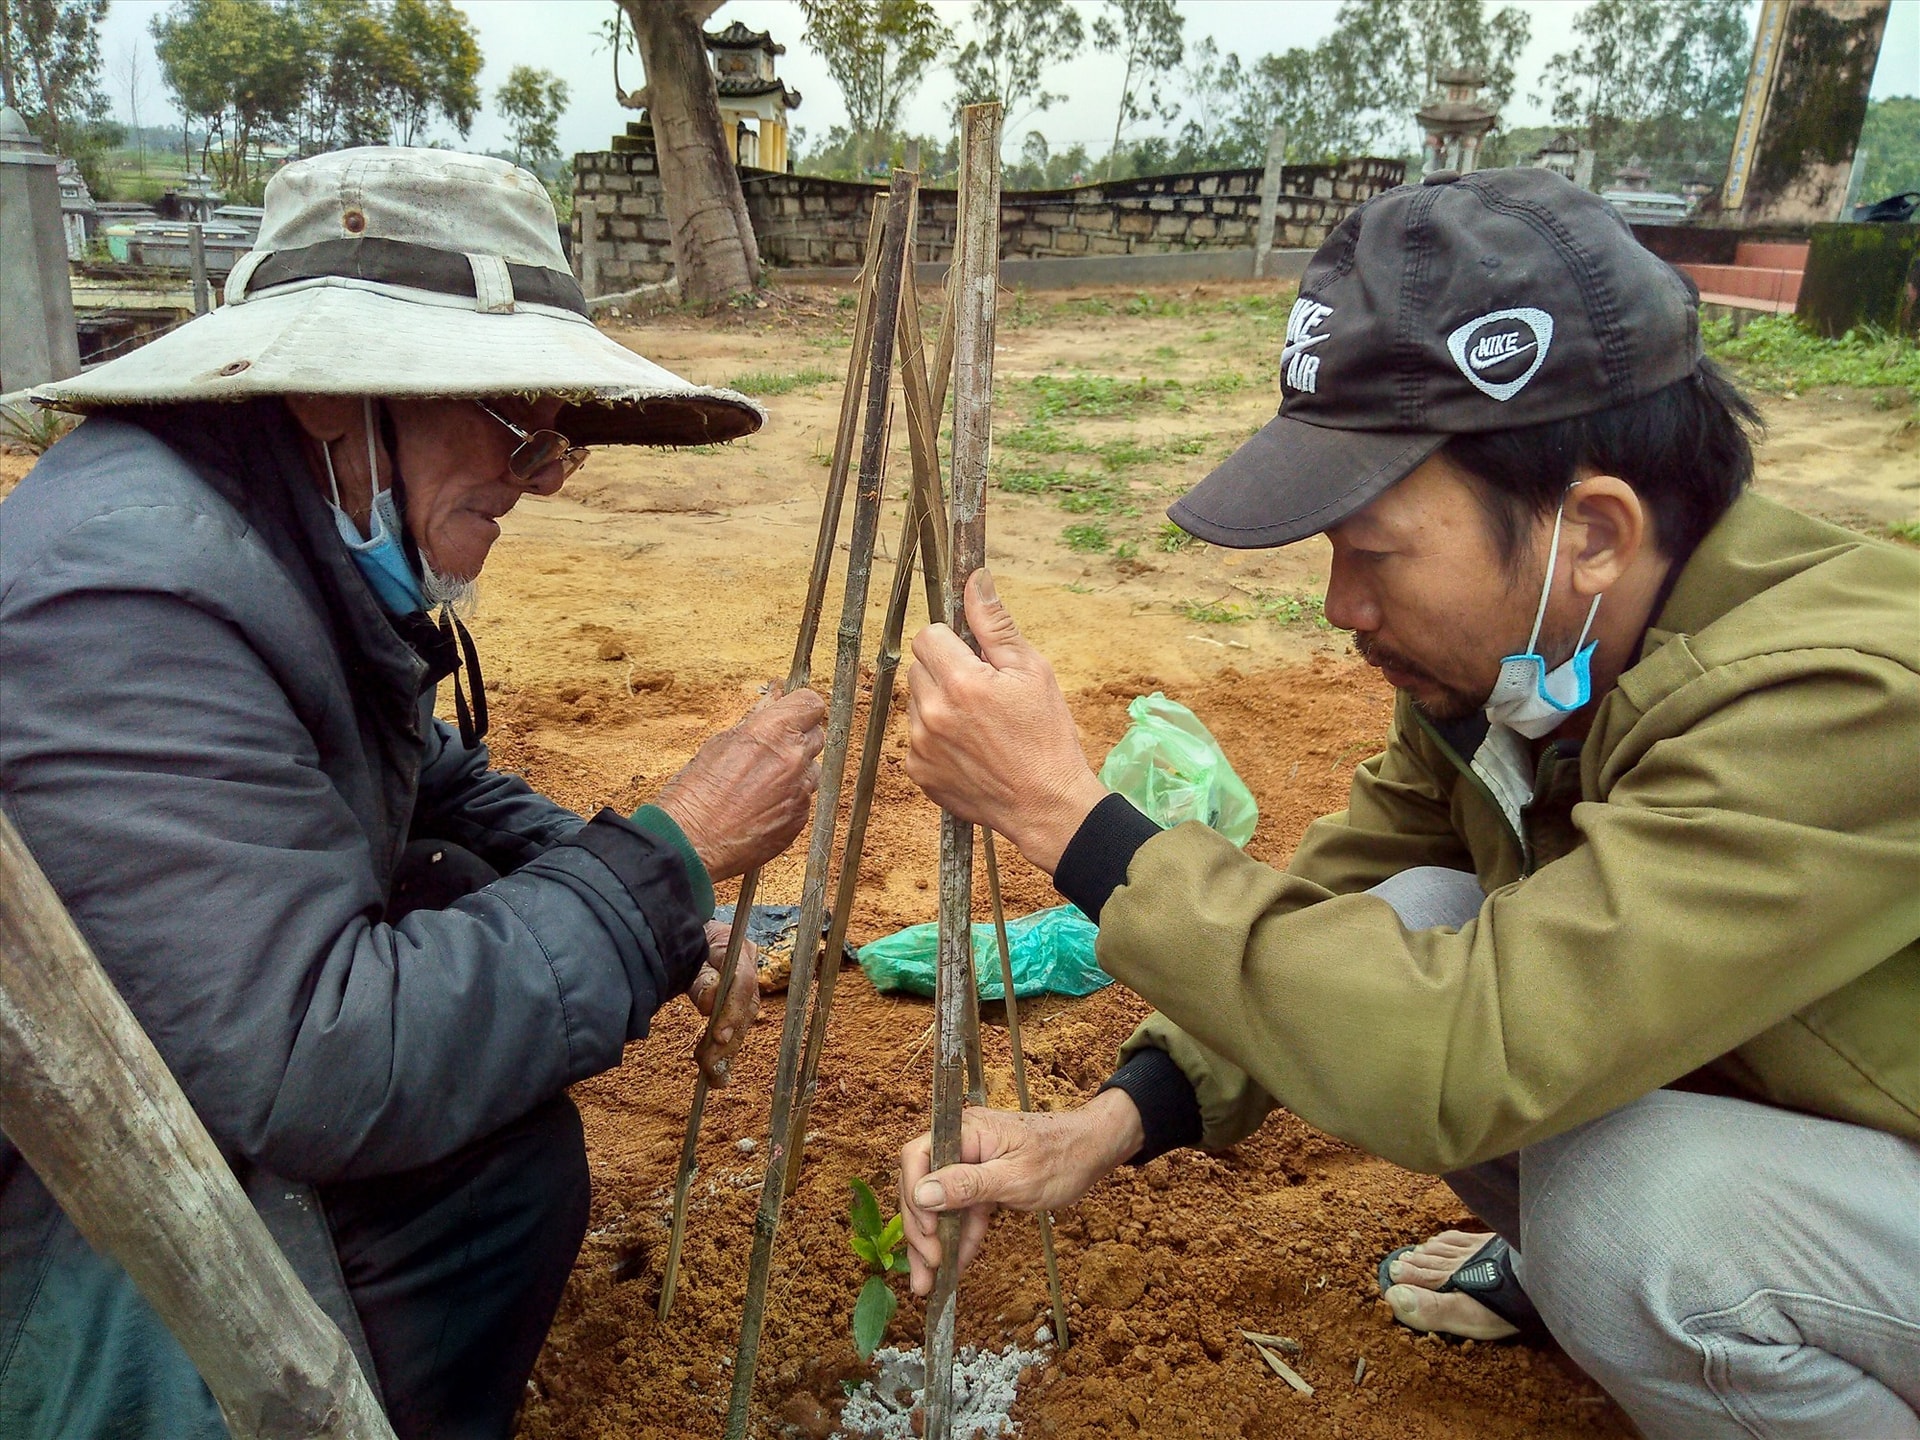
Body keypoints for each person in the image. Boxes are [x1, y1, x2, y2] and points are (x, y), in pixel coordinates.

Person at [895, 168, 1920, 1438]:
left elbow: (1464, 1054)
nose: (1342, 608)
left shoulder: (1846, 697)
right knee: (1424, 913)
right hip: (1843, 1143)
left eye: (1374, 551)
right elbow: (1346, 901)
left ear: (1591, 531)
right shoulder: (1534, 661)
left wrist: (1067, 816)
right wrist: (1111, 1122)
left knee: (1637, 1220)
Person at [0, 148, 826, 1439]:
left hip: (133, 1093)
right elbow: (310, 1059)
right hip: (42, 1227)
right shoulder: (132, 598)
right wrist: (669, 850)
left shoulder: (272, 529)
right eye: (511, 419)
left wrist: (650, 901)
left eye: (558, 436)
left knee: (461, 896)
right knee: (491, 1174)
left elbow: (418, 778)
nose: (541, 471)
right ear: (337, 400)